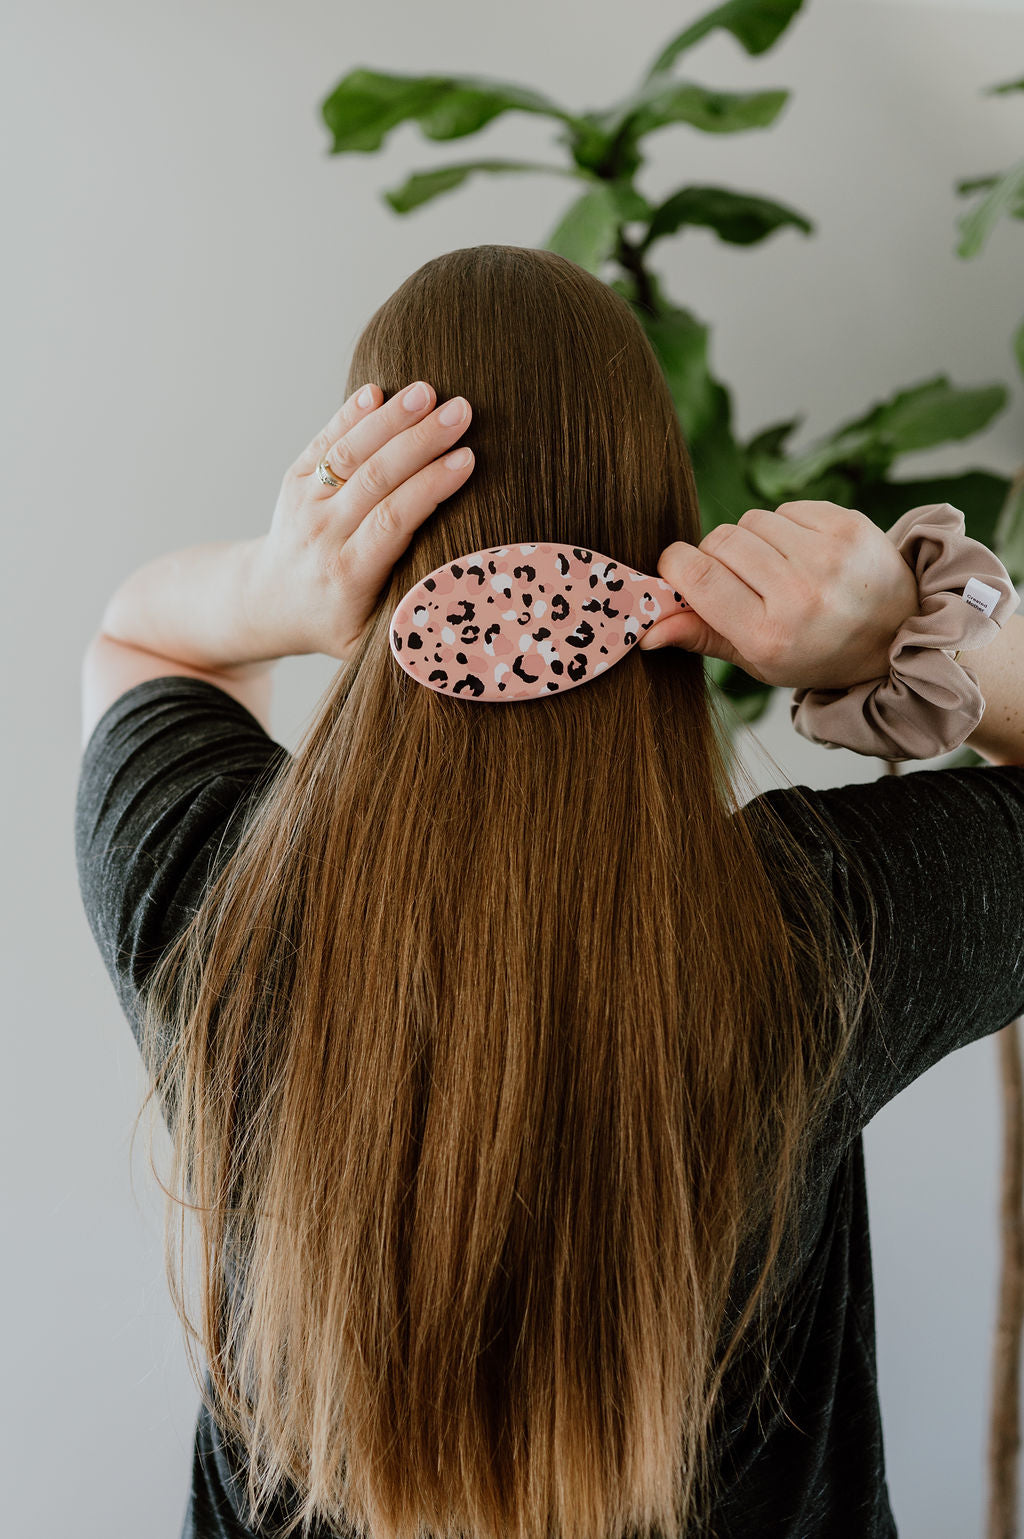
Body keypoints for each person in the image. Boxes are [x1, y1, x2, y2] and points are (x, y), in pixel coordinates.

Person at [75, 244, 1024, 1539]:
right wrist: (890, 639)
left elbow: (140, 646)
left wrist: (273, 591)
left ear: (366, 533)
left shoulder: (218, 906)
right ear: (663, 516)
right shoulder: (814, 929)